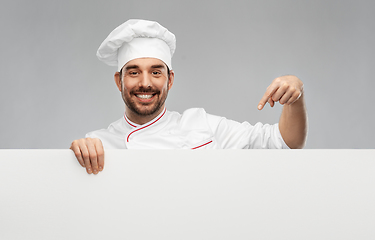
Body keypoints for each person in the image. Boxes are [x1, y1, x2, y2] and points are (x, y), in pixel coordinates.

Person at [70, 19, 308, 175]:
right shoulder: (97, 144)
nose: (145, 83)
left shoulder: (201, 124)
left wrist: (295, 97)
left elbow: (285, 143)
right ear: (118, 81)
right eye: (133, 72)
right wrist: (74, 157)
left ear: (170, 80)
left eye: (156, 72)